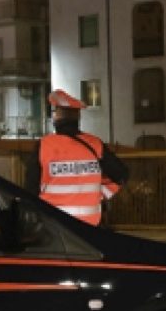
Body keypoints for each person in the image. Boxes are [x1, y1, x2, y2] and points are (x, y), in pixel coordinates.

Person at [34, 89, 127, 226]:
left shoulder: (44, 145)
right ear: (78, 118)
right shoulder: (95, 144)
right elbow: (122, 175)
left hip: (55, 226)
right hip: (89, 229)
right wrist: (100, 194)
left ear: (57, 117)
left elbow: (31, 190)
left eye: (55, 111)